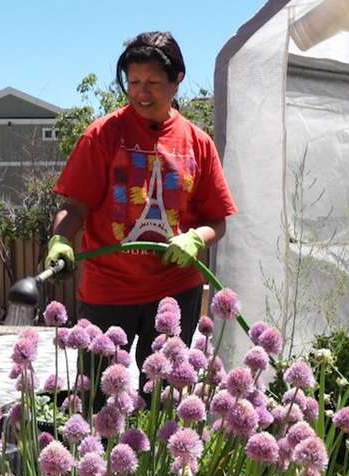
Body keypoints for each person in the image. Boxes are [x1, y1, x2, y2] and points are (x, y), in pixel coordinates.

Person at [45, 31, 237, 374]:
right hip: (107, 289)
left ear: (177, 80)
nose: (141, 92)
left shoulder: (198, 143)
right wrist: (60, 239)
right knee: (96, 392)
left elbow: (217, 220)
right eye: (133, 82)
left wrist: (196, 238)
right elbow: (75, 206)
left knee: (163, 395)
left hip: (175, 291)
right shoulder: (101, 135)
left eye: (152, 82)